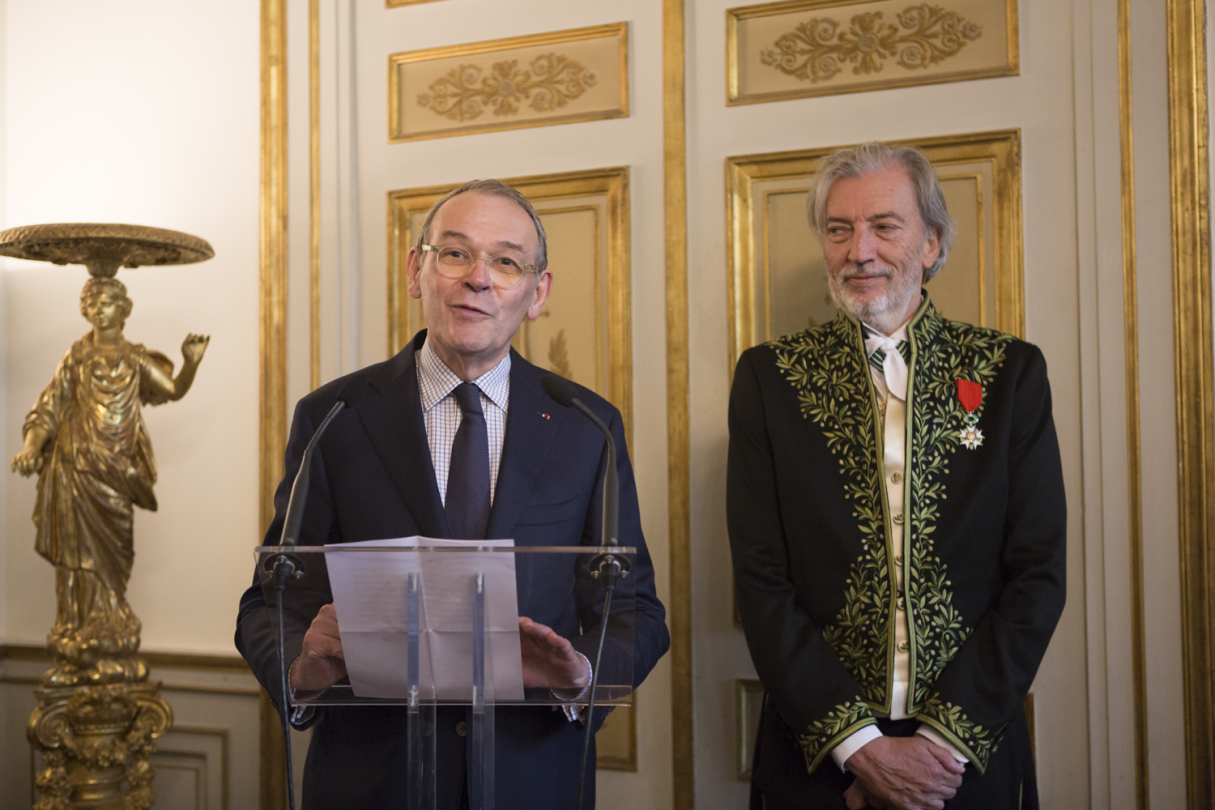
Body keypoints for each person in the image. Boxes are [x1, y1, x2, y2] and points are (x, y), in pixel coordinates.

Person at [236, 179, 669, 810]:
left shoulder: (588, 426)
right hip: (370, 782)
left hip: (534, 779)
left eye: (507, 261)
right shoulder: (333, 416)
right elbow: (270, 600)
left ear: (536, 292)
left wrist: (585, 677)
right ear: (418, 270)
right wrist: (302, 671)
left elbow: (636, 613)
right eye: (456, 253)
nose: (479, 279)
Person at [727, 143, 1065, 810]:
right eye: (838, 228)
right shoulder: (769, 378)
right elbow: (760, 580)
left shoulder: (1007, 373)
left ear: (932, 243)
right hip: (817, 757)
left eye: (884, 225)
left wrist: (939, 745)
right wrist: (860, 746)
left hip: (966, 755)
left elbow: (1037, 574)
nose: (859, 250)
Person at [11, 276, 209, 686]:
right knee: (76, 552)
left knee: (115, 553)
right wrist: (31, 447)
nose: (99, 310)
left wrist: (190, 361)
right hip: (75, 465)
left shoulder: (135, 358)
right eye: (93, 303)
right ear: (85, 310)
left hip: (116, 472)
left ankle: (111, 622)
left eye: (107, 302)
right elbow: (48, 406)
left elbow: (172, 390)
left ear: (124, 309)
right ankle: (79, 626)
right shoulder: (77, 356)